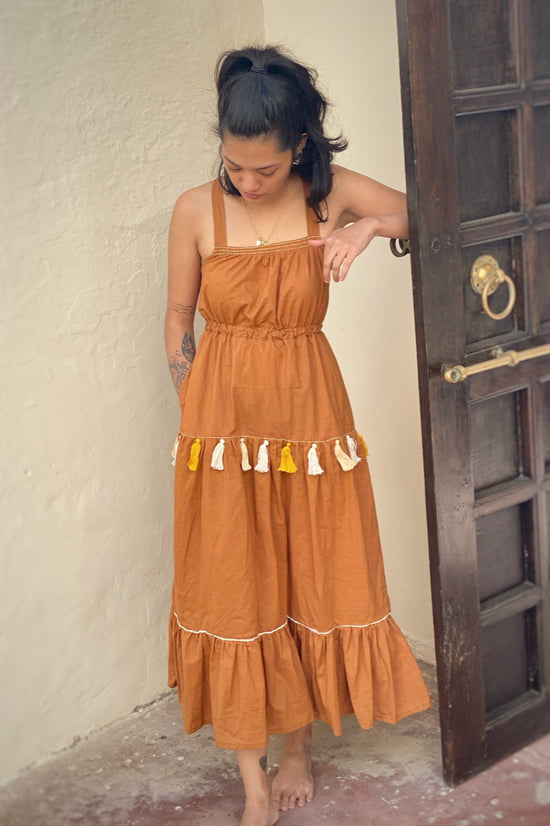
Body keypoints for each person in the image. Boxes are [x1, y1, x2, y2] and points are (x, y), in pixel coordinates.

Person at [164, 45, 430, 826]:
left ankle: (300, 747)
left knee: (308, 566)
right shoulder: (193, 211)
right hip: (221, 426)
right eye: (234, 165)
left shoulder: (329, 194)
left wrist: (371, 228)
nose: (247, 182)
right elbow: (179, 318)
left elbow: (429, 207)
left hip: (309, 412)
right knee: (233, 578)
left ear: (300, 148)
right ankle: (252, 781)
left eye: (264, 170)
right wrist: (196, 407)